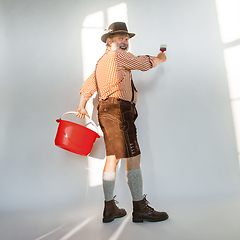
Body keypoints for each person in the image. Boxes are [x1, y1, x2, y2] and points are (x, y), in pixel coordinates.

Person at [76, 22, 169, 223]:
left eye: (126, 38)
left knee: (112, 157)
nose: (125, 41)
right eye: (120, 38)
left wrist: (82, 104)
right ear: (109, 41)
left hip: (106, 111)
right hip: (119, 112)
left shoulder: (101, 62)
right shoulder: (119, 56)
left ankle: (109, 208)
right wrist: (160, 59)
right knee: (133, 156)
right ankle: (140, 208)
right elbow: (143, 63)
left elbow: (88, 86)